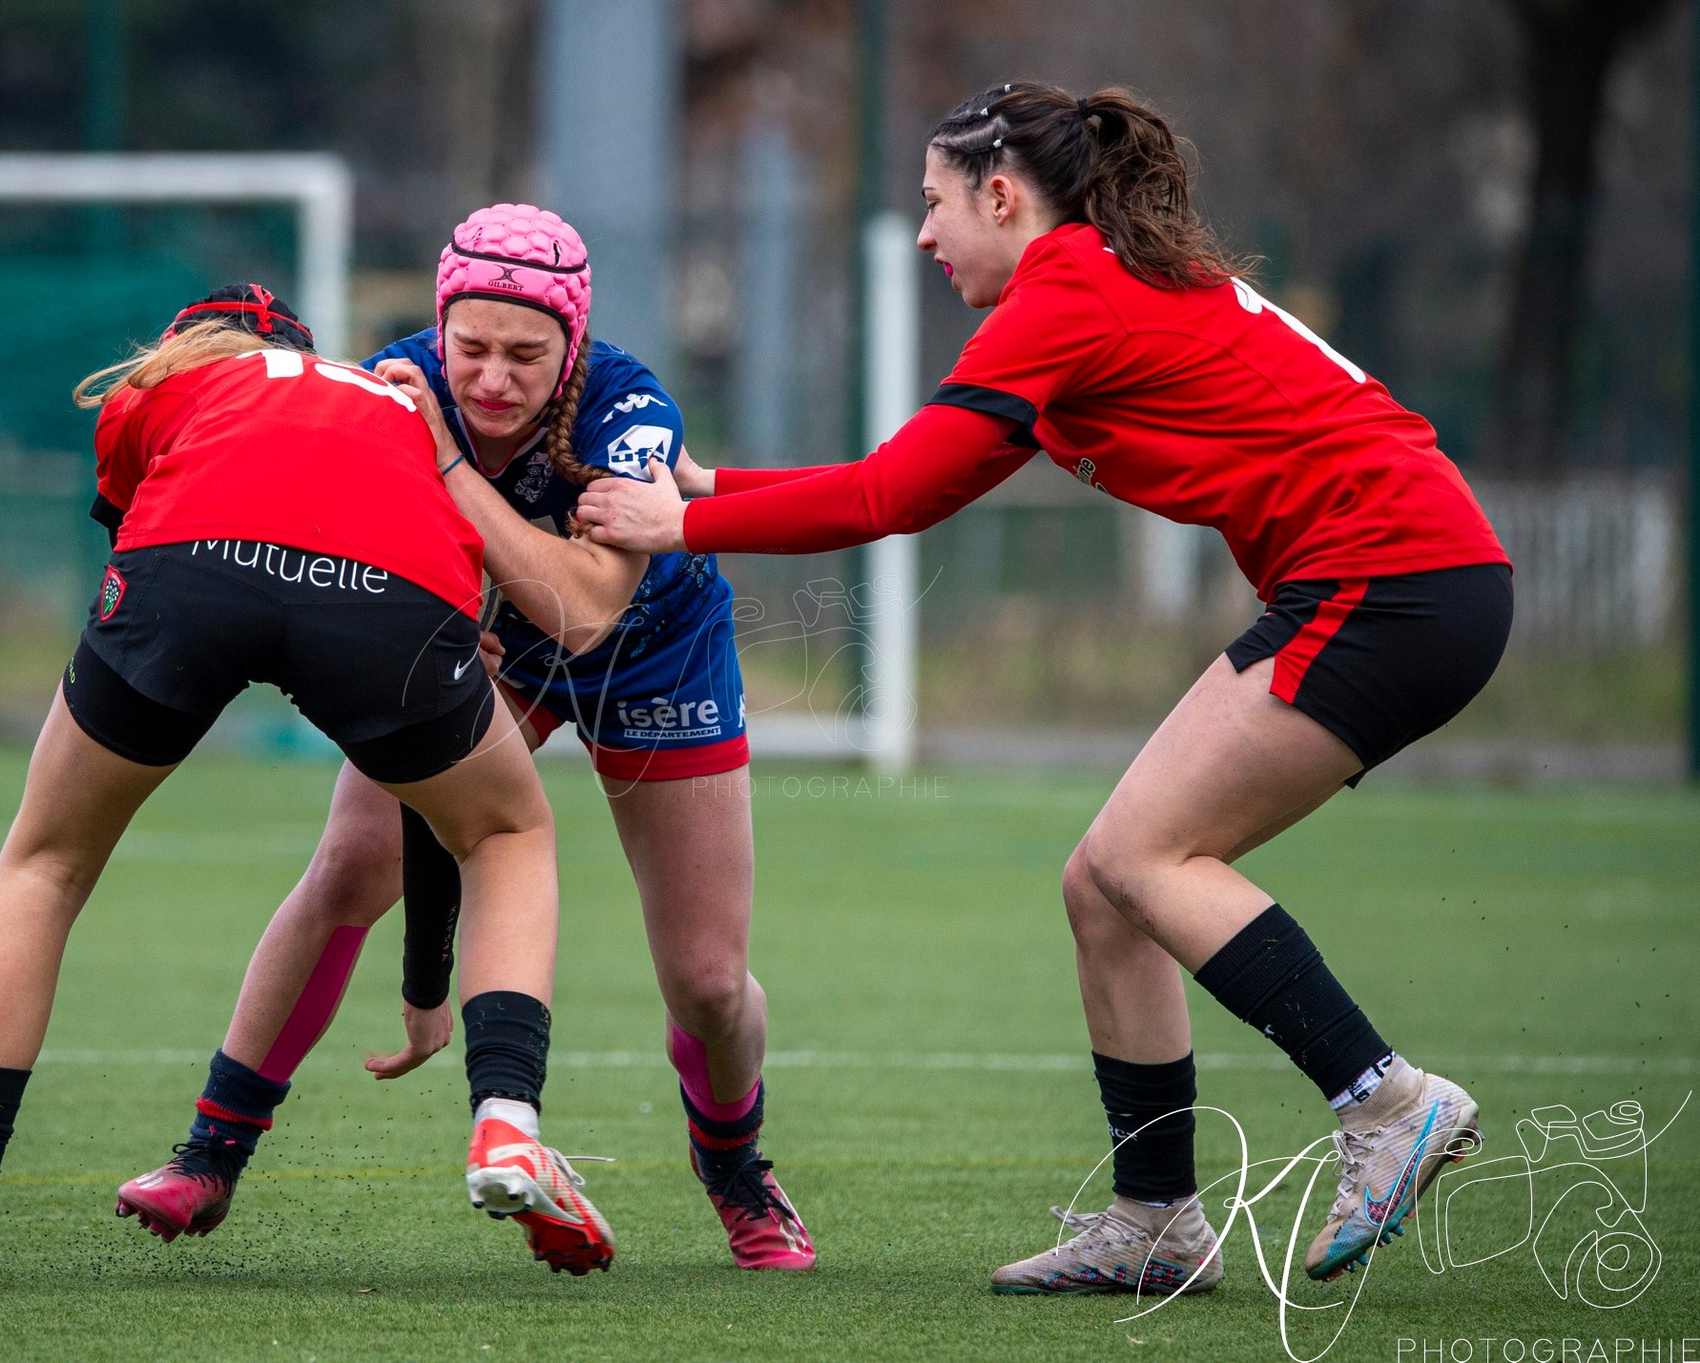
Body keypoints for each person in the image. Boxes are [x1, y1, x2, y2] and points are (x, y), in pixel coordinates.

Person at [576, 83, 1512, 1295]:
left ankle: (1383, 1103)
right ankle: (1155, 1220)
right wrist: (718, 482)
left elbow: (886, 503)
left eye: (933, 203)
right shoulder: (1089, 288)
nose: (922, 233)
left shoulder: (1061, 293)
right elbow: (901, 477)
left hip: (1391, 578)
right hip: (1407, 576)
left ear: (1002, 196)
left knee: (1145, 859)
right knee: (1105, 887)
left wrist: (681, 519)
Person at [116, 206, 816, 1272]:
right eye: (470, 348)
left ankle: (731, 1162)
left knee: (709, 981)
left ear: (570, 346)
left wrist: (446, 468)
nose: (491, 379)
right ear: (436, 329)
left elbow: (583, 610)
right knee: (348, 865)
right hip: (496, 649)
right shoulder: (392, 380)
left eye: (525, 354)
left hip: (651, 650)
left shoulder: (628, 413)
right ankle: (209, 1151)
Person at [0, 285, 614, 1292]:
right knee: (504, 833)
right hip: (384, 599)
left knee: (45, 862)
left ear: (189, 342)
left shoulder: (169, 382)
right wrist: (421, 981)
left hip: (194, 571)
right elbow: (426, 800)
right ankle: (503, 1122)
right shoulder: (396, 406)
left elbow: (142, 549)